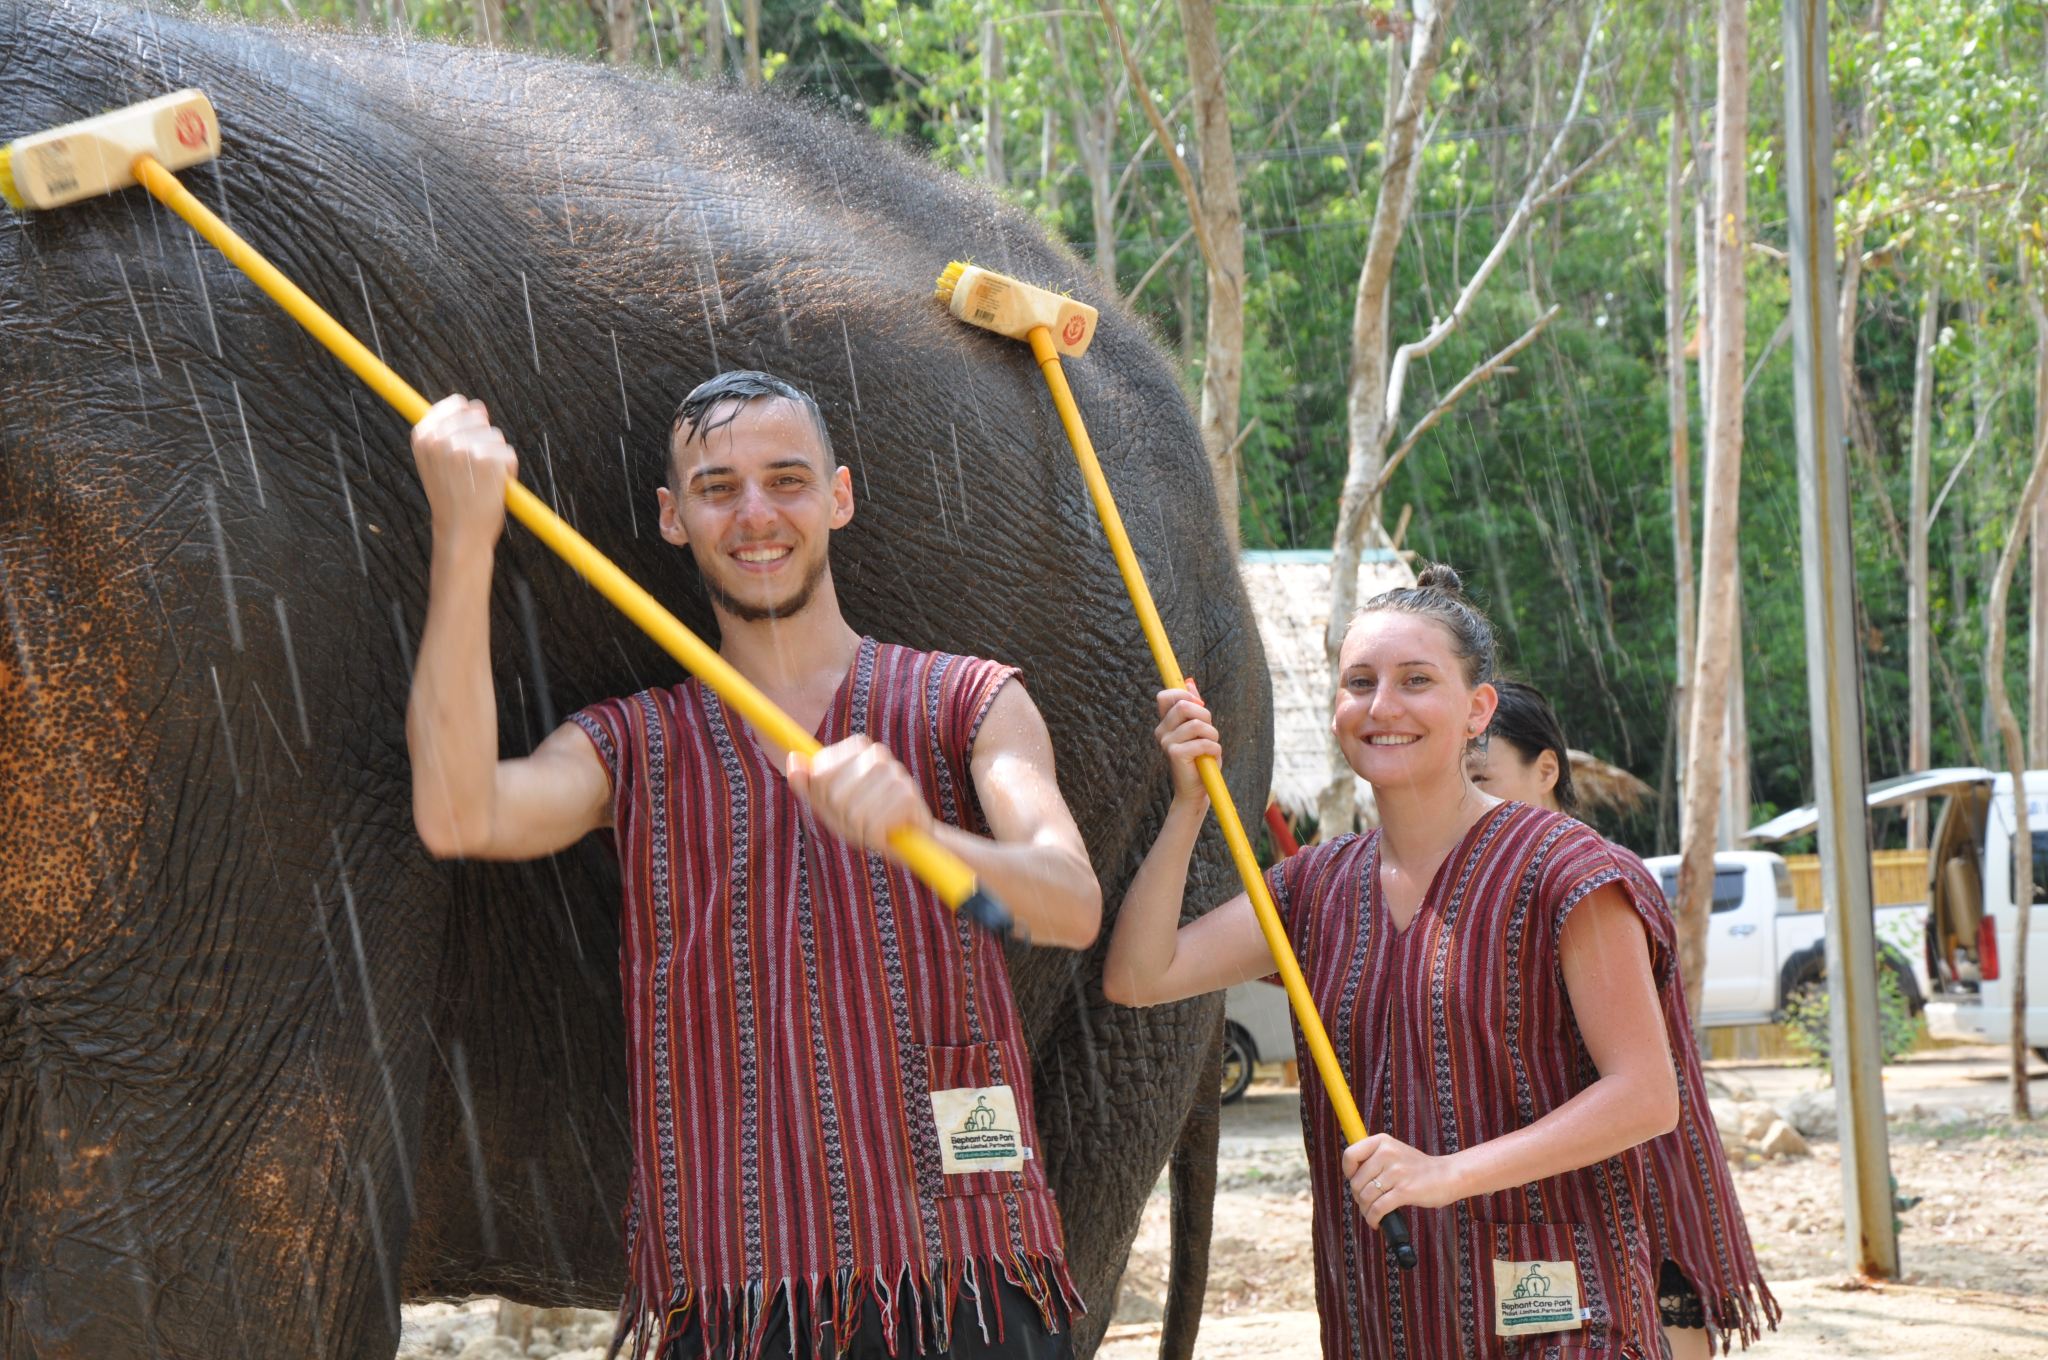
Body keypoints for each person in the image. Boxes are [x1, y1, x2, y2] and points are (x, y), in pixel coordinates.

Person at [404, 371, 1100, 1360]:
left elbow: (1071, 903)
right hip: (730, 1292)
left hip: (965, 1270)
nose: (756, 513)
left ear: (840, 496)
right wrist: (463, 533)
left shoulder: (967, 700)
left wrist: (925, 830)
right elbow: (458, 808)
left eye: (786, 479)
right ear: (672, 515)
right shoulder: (634, 742)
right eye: (717, 486)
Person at [1103, 564, 1679, 1359]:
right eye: (1359, 682)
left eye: (1417, 681)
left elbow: (1646, 1096)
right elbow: (1138, 976)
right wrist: (1187, 804)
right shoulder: (1315, 884)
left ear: (1479, 709)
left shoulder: (1562, 868)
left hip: (1555, 1310)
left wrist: (1445, 1174)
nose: (1382, 707)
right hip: (1383, 1311)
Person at [1469, 680, 1779, 1357]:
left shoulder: (1592, 879)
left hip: (1637, 1172)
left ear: (1545, 770)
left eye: (1482, 779)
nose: (1469, 801)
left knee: (1668, 1323)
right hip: (1542, 1189)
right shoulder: (1483, 887)